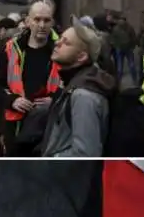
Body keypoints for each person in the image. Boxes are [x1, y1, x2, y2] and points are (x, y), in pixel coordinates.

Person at [0, 1, 60, 156]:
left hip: (49, 123)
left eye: (46, 20)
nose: (42, 25)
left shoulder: (61, 48)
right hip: (16, 123)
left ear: (52, 22)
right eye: (37, 20)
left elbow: (72, 86)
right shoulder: (11, 48)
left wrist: (55, 100)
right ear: (28, 21)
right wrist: (13, 100)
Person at [41, 17, 115, 157]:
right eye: (60, 38)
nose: (57, 43)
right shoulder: (74, 84)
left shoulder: (83, 95)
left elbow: (85, 154)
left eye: (66, 43)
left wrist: (49, 164)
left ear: (81, 56)